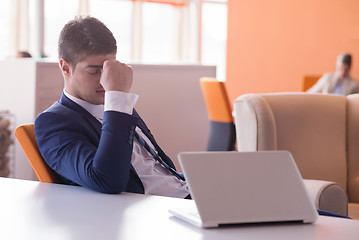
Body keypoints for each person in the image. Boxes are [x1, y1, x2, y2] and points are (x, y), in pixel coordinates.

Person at [35, 16, 189, 198]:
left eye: (109, 68)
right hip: (157, 209)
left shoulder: (118, 107)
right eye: (93, 71)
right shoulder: (53, 123)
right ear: (65, 67)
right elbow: (107, 180)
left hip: (188, 194)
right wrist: (118, 98)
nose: (105, 80)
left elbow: (157, 169)